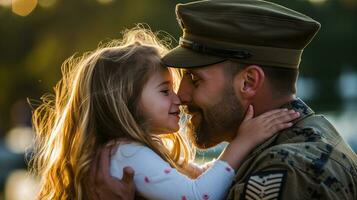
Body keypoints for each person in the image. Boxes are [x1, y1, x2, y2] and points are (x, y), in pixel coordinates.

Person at [93, 0, 357, 199]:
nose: (181, 96)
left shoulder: (288, 171)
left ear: (248, 82)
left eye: (195, 80)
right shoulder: (297, 140)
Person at [30, 27, 299, 200]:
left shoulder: (130, 151)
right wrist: (243, 143)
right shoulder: (129, 154)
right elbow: (198, 196)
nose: (179, 98)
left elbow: (199, 176)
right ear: (126, 101)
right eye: (164, 90)